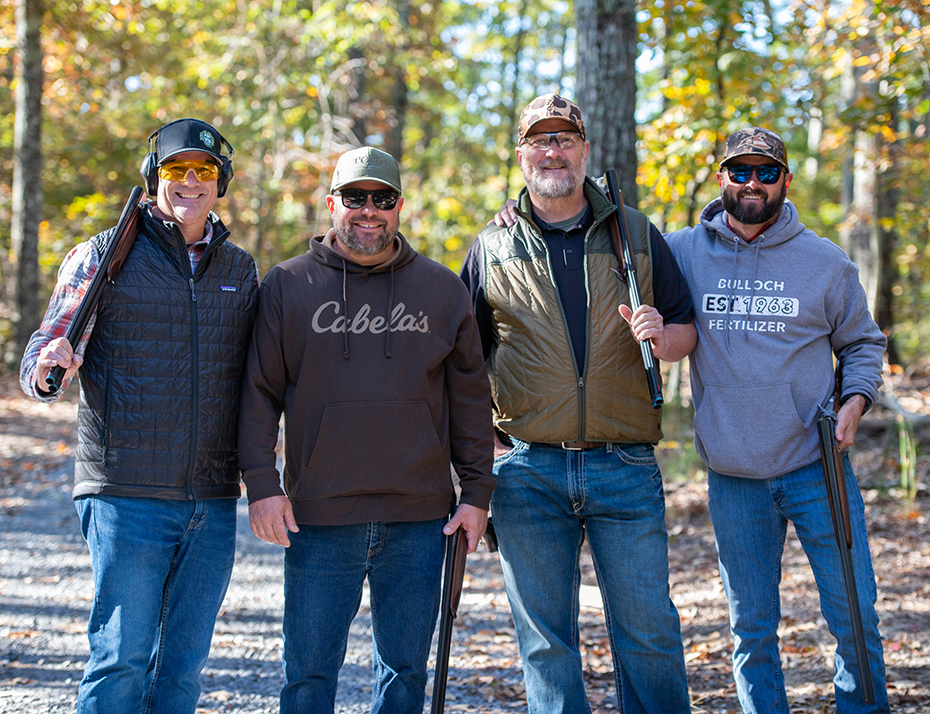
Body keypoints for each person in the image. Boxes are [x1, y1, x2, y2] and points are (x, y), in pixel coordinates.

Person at [237, 146, 495, 714]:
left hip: (421, 521)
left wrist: (477, 494)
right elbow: (258, 392)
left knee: (404, 674)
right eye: (356, 198)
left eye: (383, 199)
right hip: (321, 518)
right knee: (307, 675)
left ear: (400, 206)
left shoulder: (443, 289)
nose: (369, 210)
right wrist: (261, 482)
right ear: (333, 203)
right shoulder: (287, 285)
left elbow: (472, 399)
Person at [461, 93, 695, 713]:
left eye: (565, 138)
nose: (553, 150)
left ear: (585, 150)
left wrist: (659, 334)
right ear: (521, 156)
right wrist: (483, 447)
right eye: (540, 139)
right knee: (545, 644)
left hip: (625, 465)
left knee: (649, 633)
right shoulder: (491, 246)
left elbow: (686, 331)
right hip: (528, 471)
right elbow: (463, 363)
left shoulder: (637, 233)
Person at [19, 118, 259, 713]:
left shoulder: (240, 269)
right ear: (156, 176)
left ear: (220, 182)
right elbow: (43, 356)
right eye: (177, 169)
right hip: (125, 494)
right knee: (120, 661)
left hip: (211, 497)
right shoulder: (101, 255)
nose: (190, 181)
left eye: (204, 171)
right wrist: (51, 367)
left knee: (181, 671)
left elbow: (265, 375)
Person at [663, 127, 890, 713]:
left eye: (767, 172)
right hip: (734, 477)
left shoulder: (825, 263)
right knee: (751, 632)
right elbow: (607, 243)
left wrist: (856, 401)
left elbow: (864, 343)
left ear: (786, 180)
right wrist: (522, 211)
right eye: (741, 171)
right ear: (723, 179)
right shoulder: (683, 250)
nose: (753, 183)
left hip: (818, 467)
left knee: (855, 620)